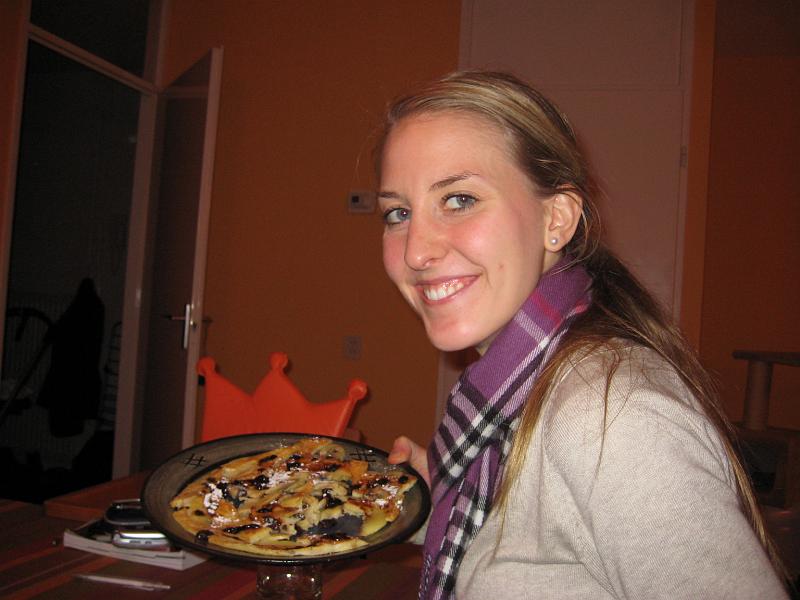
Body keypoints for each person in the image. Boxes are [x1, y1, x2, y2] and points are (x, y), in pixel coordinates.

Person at [376, 71, 790, 599]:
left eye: (459, 199)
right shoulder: (518, 384)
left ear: (557, 218)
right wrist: (437, 505)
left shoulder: (609, 417)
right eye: (398, 213)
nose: (416, 251)